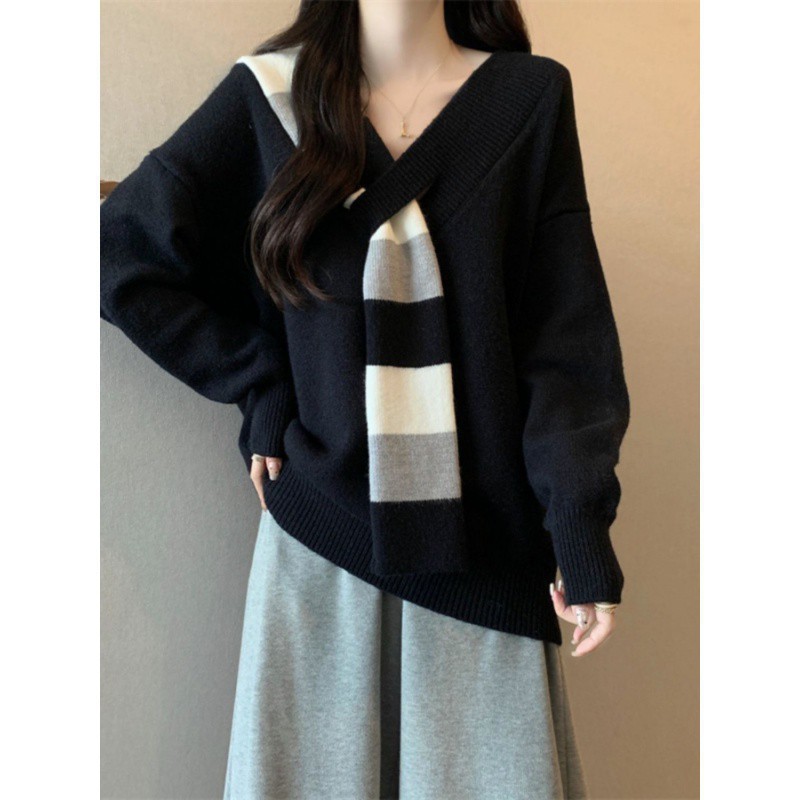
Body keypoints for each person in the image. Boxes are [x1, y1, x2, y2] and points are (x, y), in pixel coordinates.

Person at [100, 1, 631, 797]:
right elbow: (120, 252)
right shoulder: (269, 99)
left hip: (487, 561)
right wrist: (263, 385)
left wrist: (579, 525)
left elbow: (565, 340)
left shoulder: (526, 101)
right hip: (322, 556)